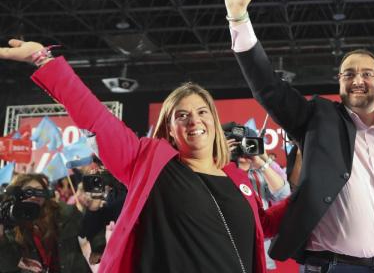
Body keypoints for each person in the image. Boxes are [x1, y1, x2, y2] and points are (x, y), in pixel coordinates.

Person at [0, 41, 288, 273]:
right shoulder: (150, 162)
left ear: (213, 120)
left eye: (202, 112)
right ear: (170, 129)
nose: (194, 121)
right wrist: (43, 60)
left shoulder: (235, 177)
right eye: (182, 115)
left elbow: (260, 226)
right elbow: (96, 118)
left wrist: (315, 195)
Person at [225, 0, 374, 272]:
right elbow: (269, 87)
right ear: (340, 82)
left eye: (367, 73)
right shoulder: (318, 118)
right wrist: (238, 18)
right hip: (333, 266)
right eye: (349, 74)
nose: (358, 79)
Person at [0, 173, 91, 273]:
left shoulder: (64, 213)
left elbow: (91, 228)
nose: (34, 196)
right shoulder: (11, 223)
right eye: (29, 191)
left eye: (39, 190)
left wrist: (93, 210)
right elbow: (6, 266)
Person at [232, 137, 291, 270]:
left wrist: (260, 162)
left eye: (246, 145)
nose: (242, 149)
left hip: (260, 253)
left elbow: (284, 194)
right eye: (237, 145)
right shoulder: (219, 173)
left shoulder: (259, 174)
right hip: (231, 253)